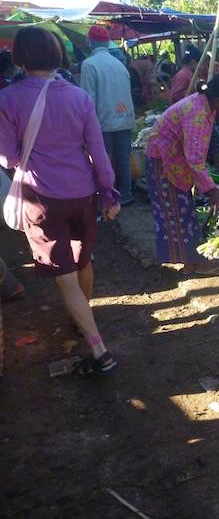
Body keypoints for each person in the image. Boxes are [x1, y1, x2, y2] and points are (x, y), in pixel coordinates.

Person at [0, 26, 120, 376]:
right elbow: (98, 150)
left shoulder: (7, 100)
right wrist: (108, 191)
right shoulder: (78, 97)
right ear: (57, 56)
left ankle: (98, 348)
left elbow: (8, 158)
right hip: (83, 194)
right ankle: (82, 316)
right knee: (83, 261)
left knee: (64, 277)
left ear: (19, 58)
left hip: (41, 198)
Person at [145, 74, 219, 275]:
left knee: (182, 210)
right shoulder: (197, 114)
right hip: (164, 162)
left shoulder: (206, 106)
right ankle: (193, 262)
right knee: (177, 213)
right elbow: (195, 160)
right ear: (217, 100)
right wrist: (212, 190)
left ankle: (187, 260)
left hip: (174, 159)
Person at [80, 25, 135, 206]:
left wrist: (86, 127)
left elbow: (88, 99)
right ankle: (126, 195)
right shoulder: (118, 63)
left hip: (103, 121)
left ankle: (109, 196)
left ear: (90, 42)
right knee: (123, 159)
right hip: (125, 119)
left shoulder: (89, 64)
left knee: (105, 160)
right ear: (107, 42)